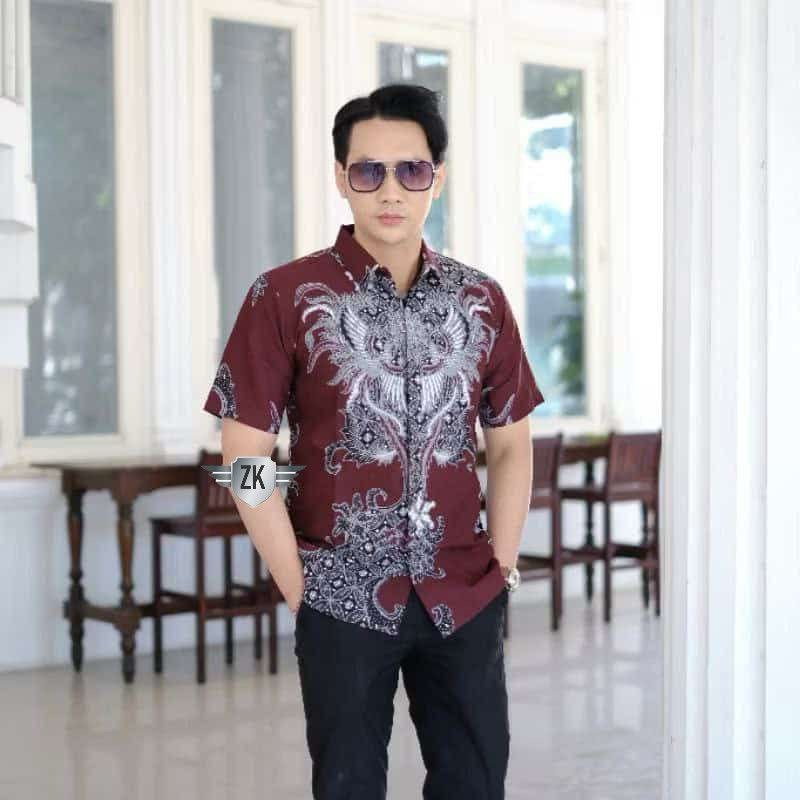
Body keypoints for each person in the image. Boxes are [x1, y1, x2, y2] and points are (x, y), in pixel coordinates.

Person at [203, 83, 545, 800]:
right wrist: (299, 585)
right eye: (369, 171)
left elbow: (512, 443)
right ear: (341, 178)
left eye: (411, 170)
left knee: (476, 783)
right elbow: (243, 455)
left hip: (465, 593)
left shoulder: (481, 299)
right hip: (340, 598)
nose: (391, 190)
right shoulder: (284, 296)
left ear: (436, 178)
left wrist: (503, 568)